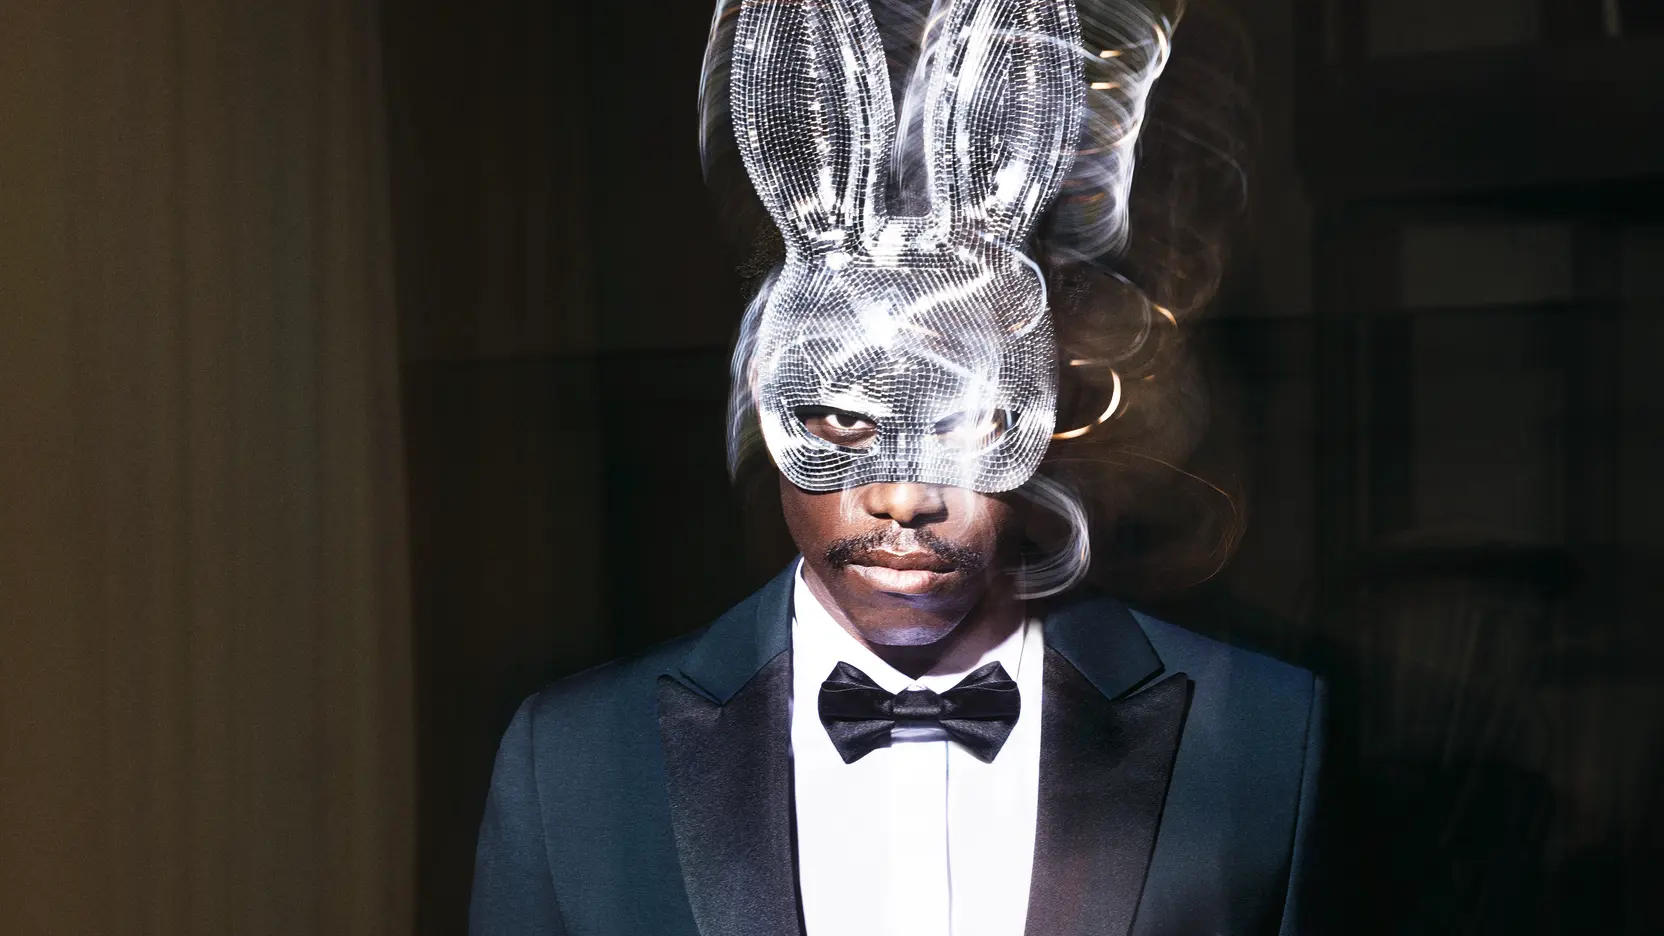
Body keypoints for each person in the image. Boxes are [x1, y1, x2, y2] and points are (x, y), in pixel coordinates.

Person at [470, 0, 1323, 934]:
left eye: (968, 421)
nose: (905, 496)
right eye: (842, 419)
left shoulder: (1262, 738)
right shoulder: (575, 762)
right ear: (764, 396)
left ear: (1050, 418)